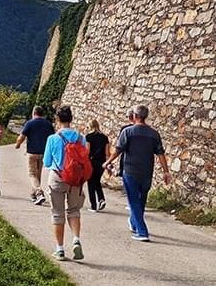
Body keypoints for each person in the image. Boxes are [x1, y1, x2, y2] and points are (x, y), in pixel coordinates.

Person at [102, 105, 171, 242]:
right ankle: (134, 224)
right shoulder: (154, 134)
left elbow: (118, 150)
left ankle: (142, 232)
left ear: (135, 116)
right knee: (141, 201)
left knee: (133, 201)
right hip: (147, 172)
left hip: (130, 171)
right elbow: (160, 153)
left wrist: (107, 162)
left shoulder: (128, 132)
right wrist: (166, 171)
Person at [43, 106, 86, 261]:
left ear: (57, 119)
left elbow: (47, 162)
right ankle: (76, 239)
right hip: (75, 180)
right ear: (71, 119)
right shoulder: (80, 138)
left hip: (58, 177)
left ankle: (60, 249)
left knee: (57, 214)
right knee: (74, 210)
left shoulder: (53, 138)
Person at [15, 106, 55, 205]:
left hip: (32, 152)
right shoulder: (48, 124)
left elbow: (22, 136)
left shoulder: (30, 123)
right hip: (43, 153)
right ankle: (34, 194)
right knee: (38, 174)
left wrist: (18, 144)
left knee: (32, 174)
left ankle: (39, 192)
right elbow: (53, 138)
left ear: (34, 113)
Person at [85, 120, 110, 212]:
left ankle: (93, 206)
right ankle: (101, 199)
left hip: (91, 162)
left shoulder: (88, 137)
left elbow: (87, 151)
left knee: (90, 183)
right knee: (97, 181)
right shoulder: (105, 137)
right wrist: (107, 163)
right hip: (101, 163)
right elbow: (107, 153)